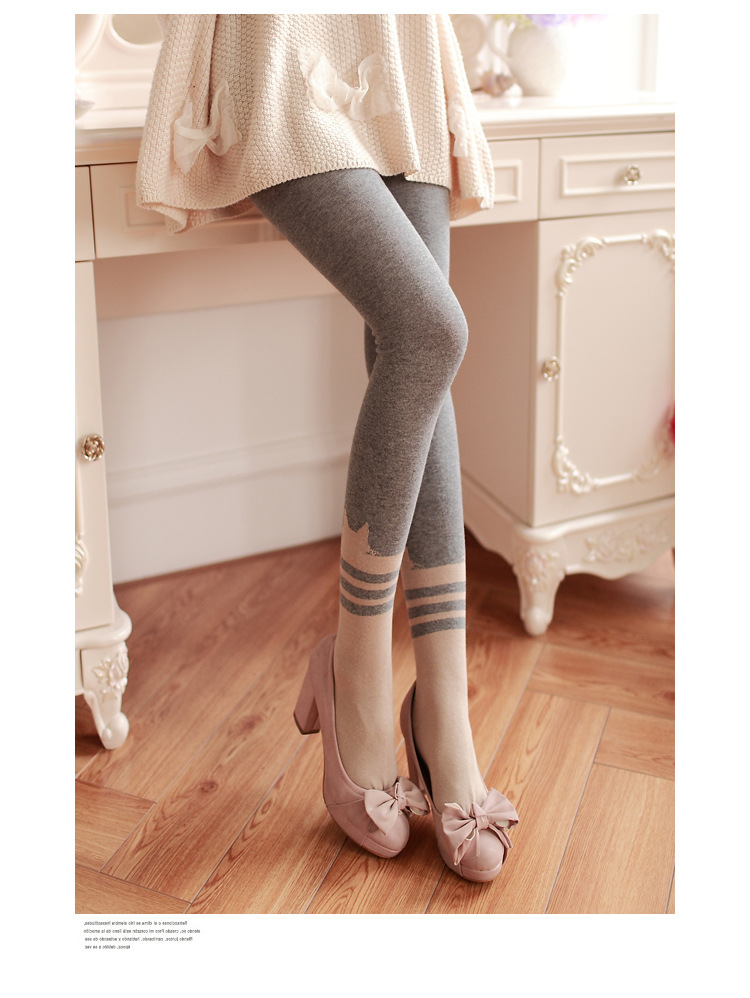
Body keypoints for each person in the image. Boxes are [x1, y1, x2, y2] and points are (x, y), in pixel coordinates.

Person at [136, 13, 518, 883]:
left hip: (398, 38)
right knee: (431, 331)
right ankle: (357, 674)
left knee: (416, 352)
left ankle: (444, 714)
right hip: (278, 44)